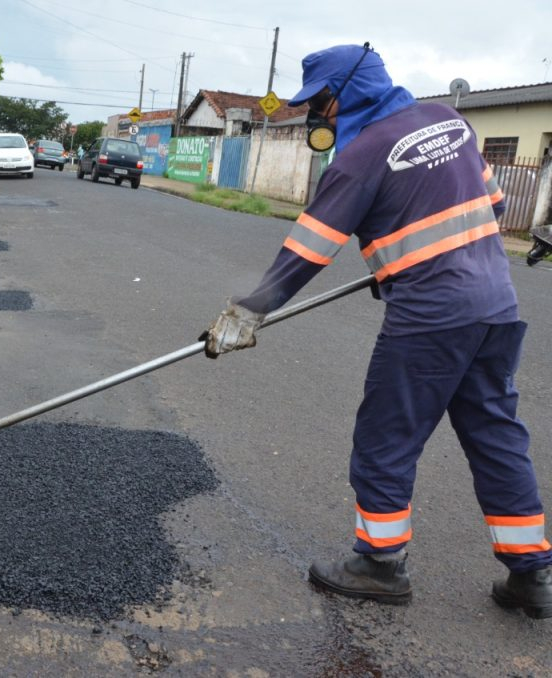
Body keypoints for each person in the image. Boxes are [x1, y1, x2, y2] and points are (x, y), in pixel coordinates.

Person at [202, 43, 552, 618]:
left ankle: (380, 564)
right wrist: (396, 264)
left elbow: (309, 249)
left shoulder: (363, 154)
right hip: (496, 309)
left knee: (386, 436)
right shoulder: (450, 121)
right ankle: (532, 573)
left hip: (431, 319)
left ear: (348, 91)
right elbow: (488, 208)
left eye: (320, 102)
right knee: (496, 435)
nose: (317, 114)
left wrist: (248, 311)